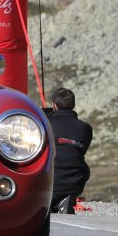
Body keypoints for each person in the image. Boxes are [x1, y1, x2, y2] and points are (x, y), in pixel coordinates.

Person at [46, 86, 93, 214]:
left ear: (54, 105)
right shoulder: (86, 128)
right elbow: (80, 152)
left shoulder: (46, 122)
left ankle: (50, 202)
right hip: (75, 182)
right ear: (73, 105)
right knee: (81, 164)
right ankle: (66, 198)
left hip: (48, 182)